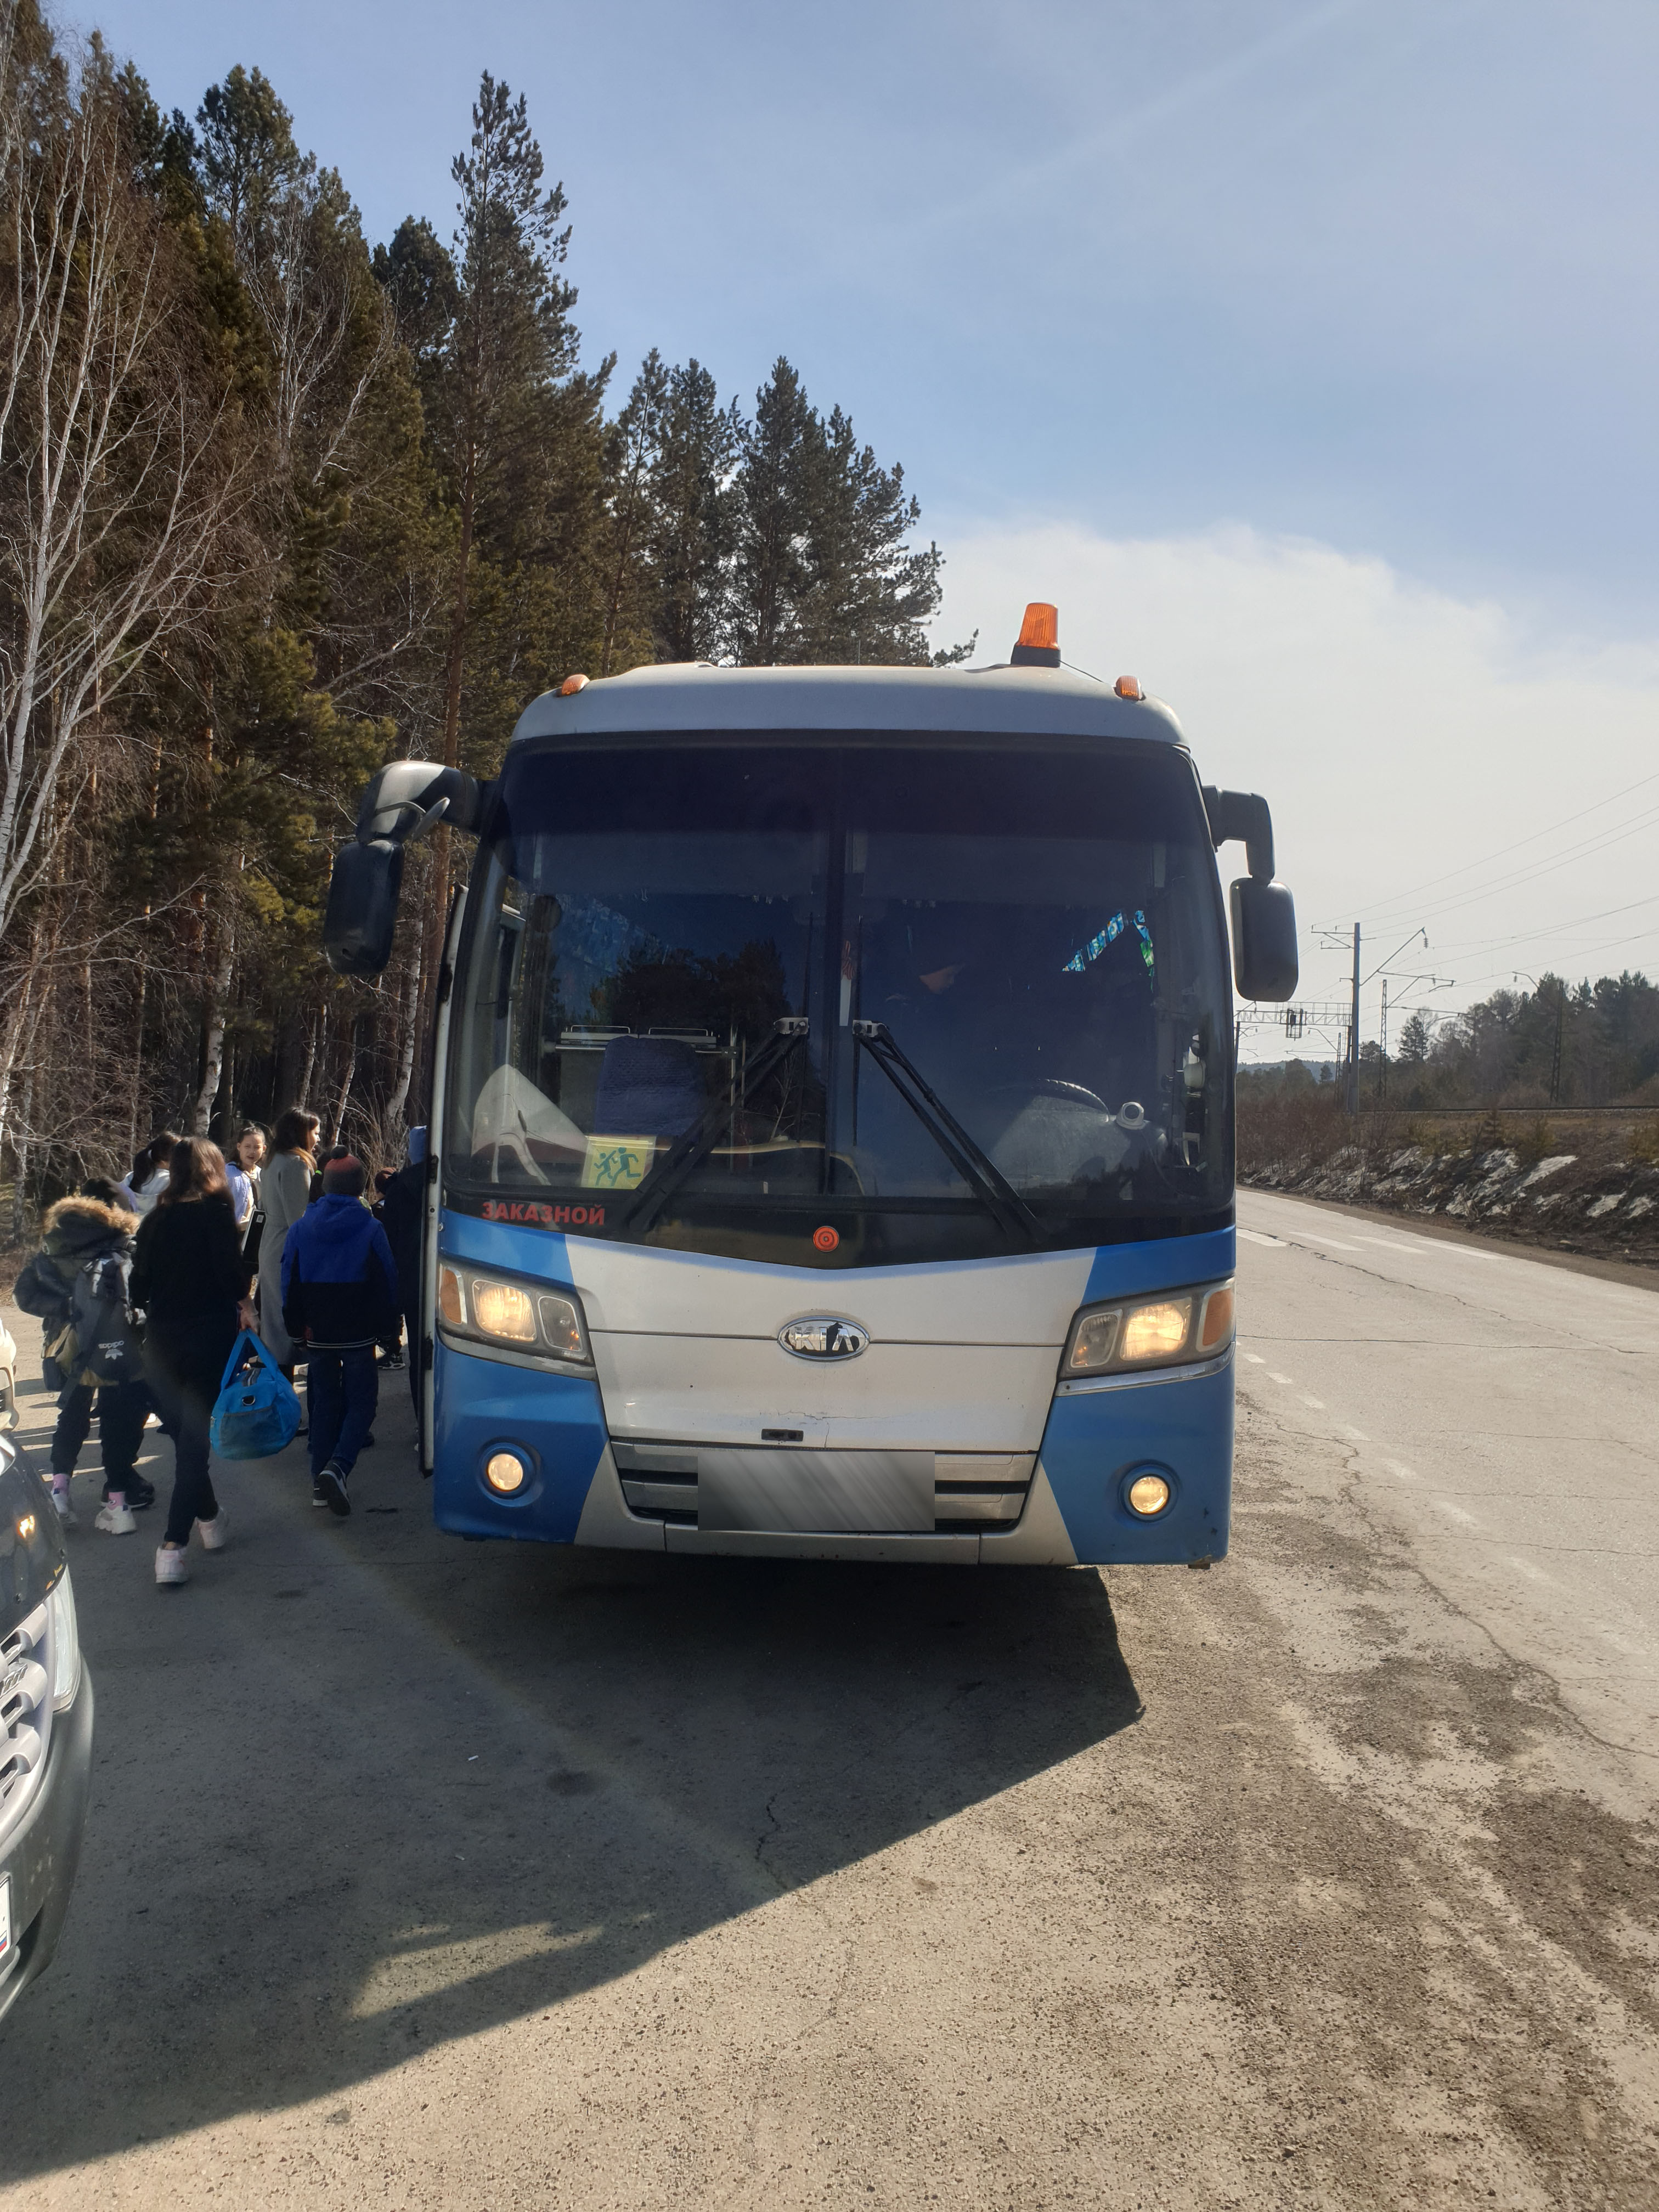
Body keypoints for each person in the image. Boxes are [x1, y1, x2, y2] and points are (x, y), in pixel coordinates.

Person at [129, 1138, 255, 1586]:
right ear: (210, 1169)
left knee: (186, 1439)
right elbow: (233, 1278)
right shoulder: (216, 1217)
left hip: (160, 1344)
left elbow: (138, 1290)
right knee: (193, 1445)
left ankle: (210, 1519)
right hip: (207, 1340)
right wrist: (246, 1300)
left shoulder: (155, 1220)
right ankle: (172, 1546)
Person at [14, 1179, 155, 1526]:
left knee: (71, 1416)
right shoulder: (125, 1242)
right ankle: (119, 1505)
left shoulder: (55, 1242)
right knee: (118, 1421)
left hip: (69, 1345)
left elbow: (24, 1295)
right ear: (112, 1207)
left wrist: (65, 1309)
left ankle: (60, 1493)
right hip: (118, 1343)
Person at [281, 1153, 399, 1518]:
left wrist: (294, 1327)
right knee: (362, 1402)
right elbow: (388, 1282)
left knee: (323, 1402)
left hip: (316, 1328)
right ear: (361, 1187)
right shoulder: (370, 1228)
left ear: (324, 1186)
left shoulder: (301, 1228)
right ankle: (339, 1467)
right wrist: (389, 1329)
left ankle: (320, 1479)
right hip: (359, 1329)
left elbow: (288, 1279)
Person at [257, 1108, 318, 1376]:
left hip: (270, 1243)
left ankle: (280, 1403)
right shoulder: (296, 1164)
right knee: (289, 1325)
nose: (318, 1137)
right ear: (302, 1132)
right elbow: (299, 1219)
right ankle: (286, 1406)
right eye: (315, 1132)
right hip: (287, 1247)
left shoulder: (272, 1160)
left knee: (275, 1325)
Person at [374, 1126, 427, 1419]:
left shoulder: (398, 1188)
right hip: (449, 1283)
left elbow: (389, 1238)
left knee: (419, 1355)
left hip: (412, 1280)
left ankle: (422, 1421)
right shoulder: (452, 1183)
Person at [119, 1130, 183, 1217]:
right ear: (165, 1161)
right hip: (154, 1229)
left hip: (128, 1227)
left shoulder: (131, 1177)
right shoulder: (170, 1182)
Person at [225, 1124, 267, 1246]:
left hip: (255, 1233)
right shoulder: (227, 1173)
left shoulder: (262, 1174)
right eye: (247, 1146)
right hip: (231, 1233)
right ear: (239, 1147)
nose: (252, 1152)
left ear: (263, 1149)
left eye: (257, 1147)